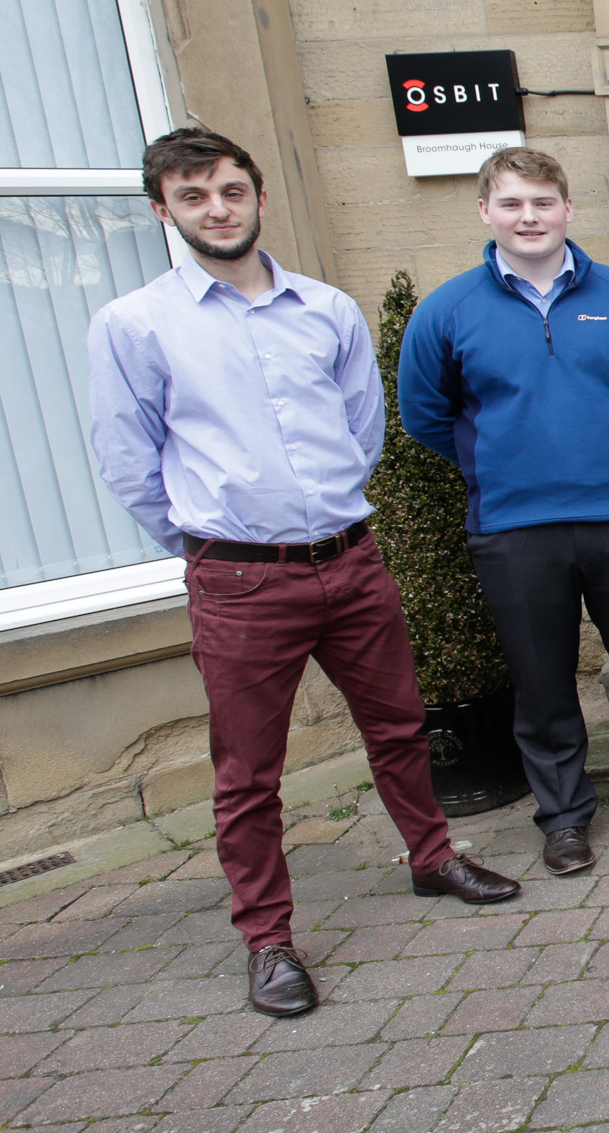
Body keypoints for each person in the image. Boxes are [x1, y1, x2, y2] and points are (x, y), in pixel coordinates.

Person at [88, 129, 521, 1020]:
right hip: (240, 581)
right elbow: (128, 461)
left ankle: (432, 858)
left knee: (399, 727)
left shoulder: (325, 309)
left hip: (351, 560)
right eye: (194, 195)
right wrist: (214, 545)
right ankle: (268, 938)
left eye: (231, 191)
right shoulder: (135, 325)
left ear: (258, 197)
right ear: (162, 207)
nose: (217, 209)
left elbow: (362, 430)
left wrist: (322, 516)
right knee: (249, 771)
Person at [396, 147, 609, 878]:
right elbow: (424, 415)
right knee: (541, 682)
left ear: (568, 209)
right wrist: (505, 461)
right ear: (485, 212)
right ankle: (566, 817)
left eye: (543, 202)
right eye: (511, 203)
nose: (528, 216)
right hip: (513, 528)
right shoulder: (447, 311)